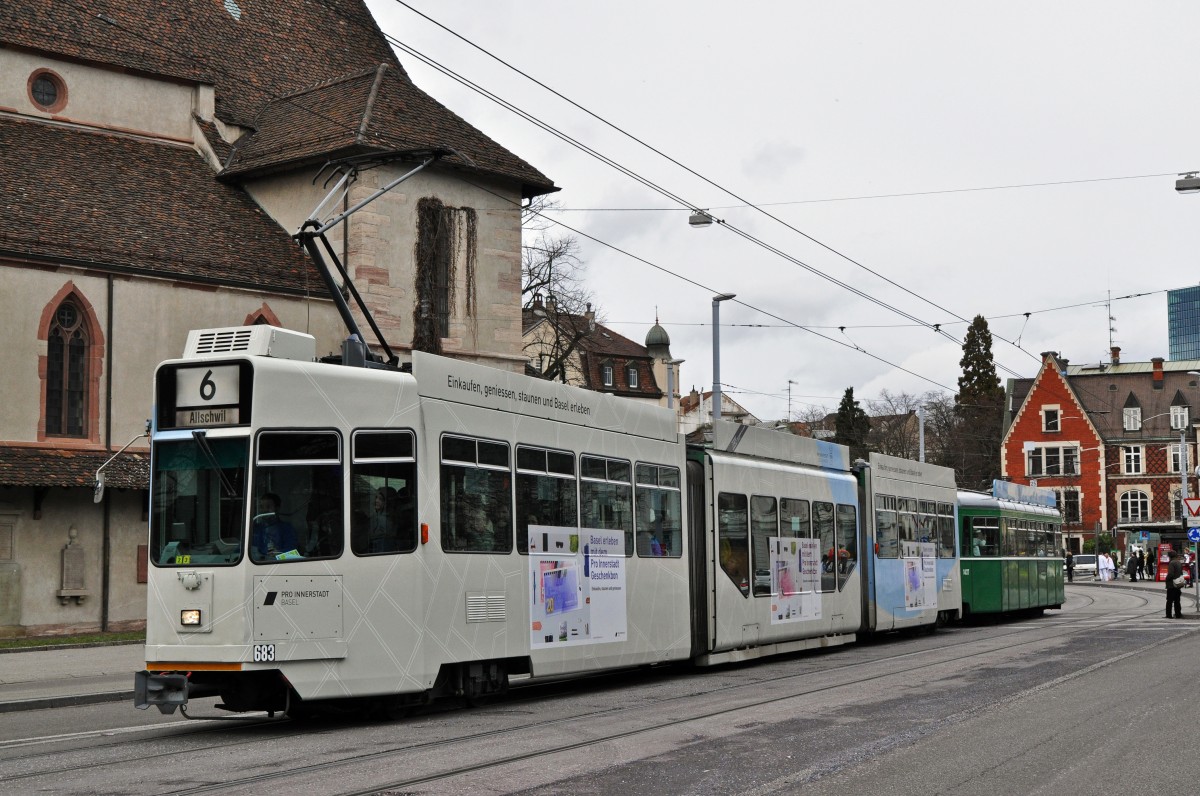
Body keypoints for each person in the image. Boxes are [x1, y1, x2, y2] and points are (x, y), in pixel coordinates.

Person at [251, 492, 298, 560]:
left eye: (268, 507)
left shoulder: (287, 529)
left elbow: (292, 551)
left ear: (277, 508)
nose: (264, 510)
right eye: (261, 507)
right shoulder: (256, 529)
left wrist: (279, 553)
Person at [1166, 551, 1185, 619]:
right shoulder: (1178, 562)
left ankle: (1169, 615)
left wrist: (1166, 579)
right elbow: (1181, 573)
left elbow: (1171, 574)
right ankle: (1178, 614)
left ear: (1170, 556)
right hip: (1178, 584)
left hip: (1171, 584)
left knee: (1169, 600)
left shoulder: (1172, 563)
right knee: (1177, 600)